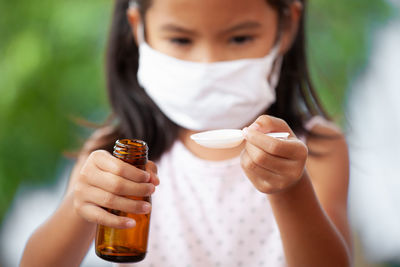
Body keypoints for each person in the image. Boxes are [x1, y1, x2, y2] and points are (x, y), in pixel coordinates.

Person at [20, 0, 352, 266]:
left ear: (287, 25)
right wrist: (80, 205)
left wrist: (291, 190)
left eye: (239, 38)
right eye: (180, 39)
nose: (208, 63)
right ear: (139, 29)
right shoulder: (112, 153)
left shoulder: (318, 148)